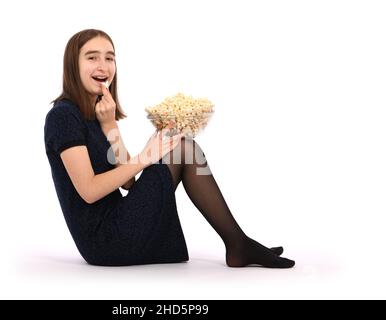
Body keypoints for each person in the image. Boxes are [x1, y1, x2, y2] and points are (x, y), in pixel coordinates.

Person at [44, 28, 295, 268]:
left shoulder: (97, 113)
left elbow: (128, 183)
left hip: (118, 220)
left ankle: (238, 243)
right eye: (92, 57)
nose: (103, 66)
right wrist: (146, 157)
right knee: (184, 149)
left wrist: (110, 126)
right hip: (105, 241)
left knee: (183, 146)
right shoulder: (63, 116)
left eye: (110, 58)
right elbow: (88, 191)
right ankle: (238, 244)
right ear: (72, 65)